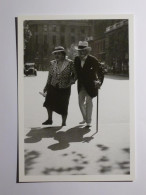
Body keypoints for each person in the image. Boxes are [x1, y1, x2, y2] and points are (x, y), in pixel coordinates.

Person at [42, 46, 76, 126]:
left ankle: (63, 122)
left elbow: (75, 74)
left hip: (65, 87)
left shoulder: (70, 63)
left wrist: (71, 82)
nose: (56, 55)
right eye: (55, 54)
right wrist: (46, 86)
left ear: (63, 54)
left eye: (59, 54)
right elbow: (50, 76)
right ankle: (49, 119)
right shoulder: (52, 63)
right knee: (48, 103)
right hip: (53, 85)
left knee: (64, 105)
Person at [74, 41, 104, 127]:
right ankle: (85, 117)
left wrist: (99, 82)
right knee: (80, 103)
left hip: (91, 85)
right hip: (81, 85)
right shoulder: (76, 59)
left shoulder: (93, 59)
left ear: (87, 51)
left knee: (89, 102)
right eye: (80, 50)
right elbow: (75, 72)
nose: (81, 52)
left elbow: (100, 71)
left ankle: (88, 121)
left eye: (83, 50)